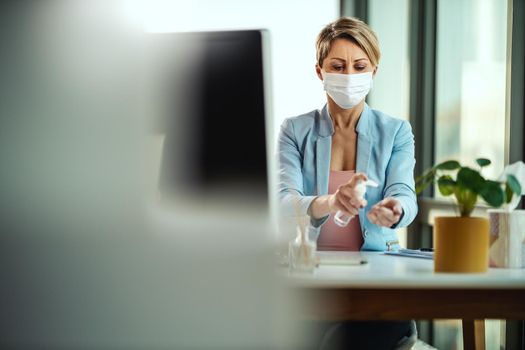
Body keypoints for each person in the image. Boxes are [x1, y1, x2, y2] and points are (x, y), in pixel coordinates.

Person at [278, 17, 418, 349]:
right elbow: (284, 201)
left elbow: (405, 196)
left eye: (359, 66)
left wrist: (395, 210)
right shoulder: (295, 131)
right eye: (338, 66)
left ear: (374, 71)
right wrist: (331, 201)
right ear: (320, 71)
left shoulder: (396, 131)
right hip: (311, 274)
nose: (349, 76)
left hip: (376, 275)